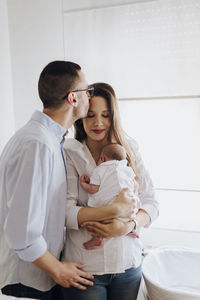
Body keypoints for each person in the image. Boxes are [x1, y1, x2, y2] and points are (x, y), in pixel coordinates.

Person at [0, 60, 96, 299]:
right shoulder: (38, 144)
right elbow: (22, 233)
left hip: (40, 275)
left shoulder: (48, 140)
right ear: (73, 98)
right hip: (28, 281)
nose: (90, 98)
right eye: (88, 91)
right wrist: (59, 269)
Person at [63, 82, 159, 300]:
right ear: (80, 116)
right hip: (85, 268)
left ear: (114, 116)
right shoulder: (70, 152)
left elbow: (151, 204)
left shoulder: (130, 149)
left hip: (128, 265)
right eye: (90, 115)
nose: (98, 123)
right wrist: (114, 209)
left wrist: (127, 226)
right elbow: (64, 212)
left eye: (105, 115)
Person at [80, 143, 140, 250]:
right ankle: (130, 231)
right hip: (127, 207)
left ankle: (96, 238)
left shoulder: (100, 169)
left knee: (96, 222)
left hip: (107, 206)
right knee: (129, 215)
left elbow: (94, 189)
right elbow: (135, 184)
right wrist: (132, 193)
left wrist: (84, 184)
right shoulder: (126, 169)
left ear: (102, 158)